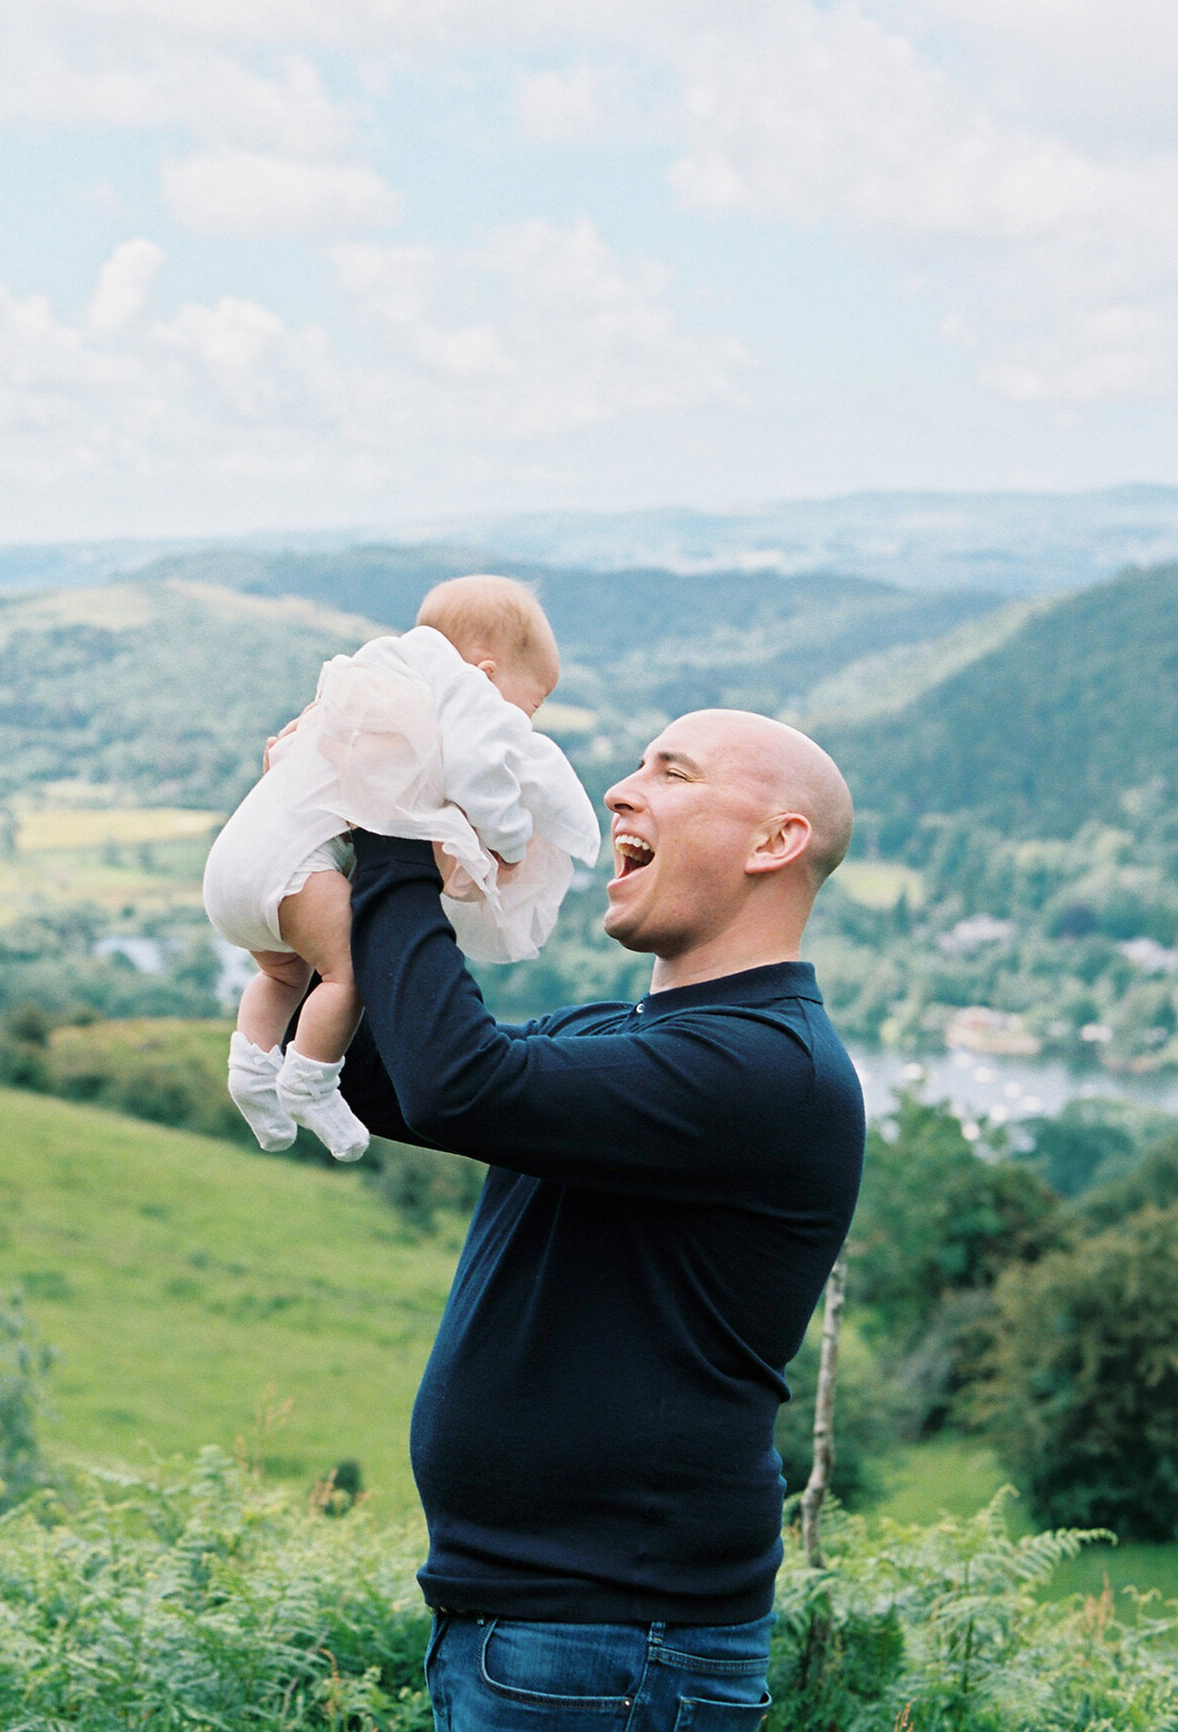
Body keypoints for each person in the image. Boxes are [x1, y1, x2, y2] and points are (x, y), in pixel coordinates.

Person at [336, 707, 865, 1732]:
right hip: (547, 1630)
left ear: (774, 841)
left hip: (614, 1645)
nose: (621, 789)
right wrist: (317, 840)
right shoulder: (623, 1037)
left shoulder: (763, 1068)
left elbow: (456, 1083)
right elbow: (381, 1080)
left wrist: (393, 828)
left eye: (671, 772)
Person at [202, 575, 599, 1159]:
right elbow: (479, 772)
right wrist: (509, 839)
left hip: (236, 868)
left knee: (283, 976)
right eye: (532, 704)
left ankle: (251, 1068)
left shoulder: (373, 675)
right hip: (295, 873)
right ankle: (312, 1082)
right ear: (486, 673)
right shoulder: (466, 693)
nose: (527, 723)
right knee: (351, 974)